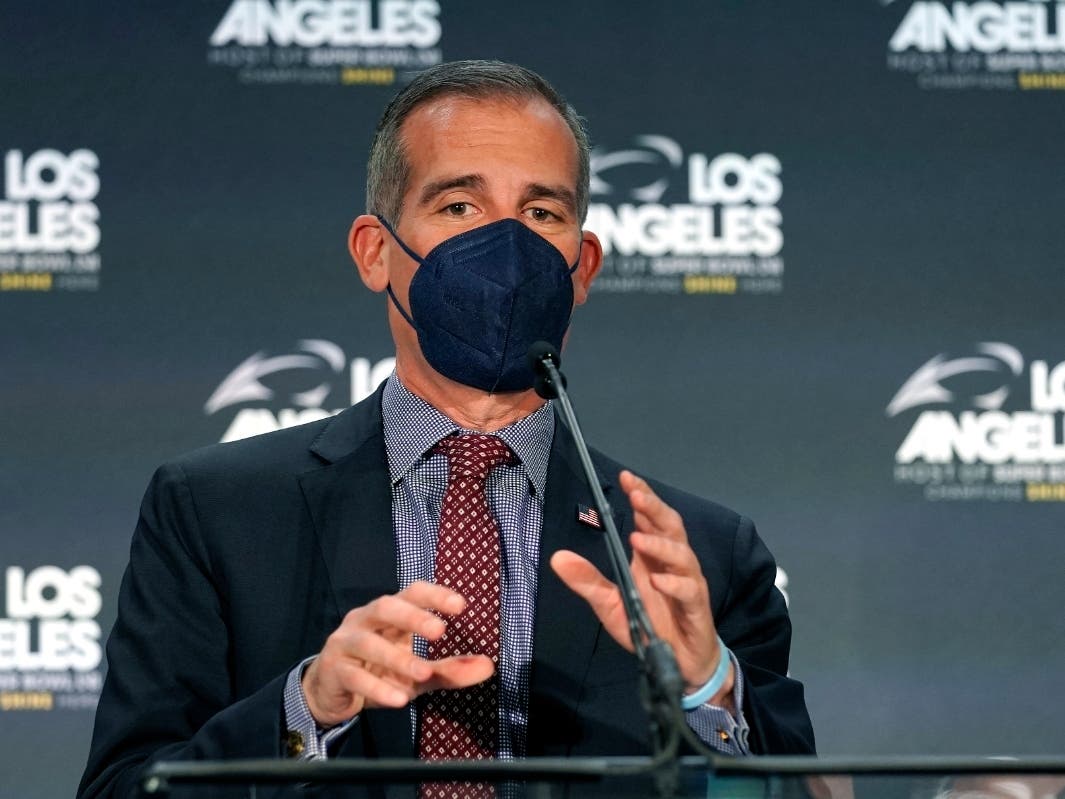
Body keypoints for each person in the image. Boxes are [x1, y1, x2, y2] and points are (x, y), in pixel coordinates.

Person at [78, 60, 814, 799]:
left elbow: (796, 792)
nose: (505, 247)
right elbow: (122, 789)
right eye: (459, 206)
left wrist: (707, 688)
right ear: (375, 251)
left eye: (541, 214)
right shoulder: (214, 513)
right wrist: (304, 708)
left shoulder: (699, 557)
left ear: (581, 267)